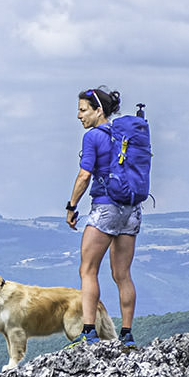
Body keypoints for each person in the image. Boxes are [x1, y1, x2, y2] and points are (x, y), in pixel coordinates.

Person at [64, 87, 137, 347]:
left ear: (98, 111)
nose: (78, 116)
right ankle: (127, 335)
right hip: (131, 209)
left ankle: (89, 331)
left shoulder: (93, 137)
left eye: (83, 110)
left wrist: (71, 206)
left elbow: (85, 176)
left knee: (88, 269)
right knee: (123, 274)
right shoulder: (124, 134)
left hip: (105, 206)